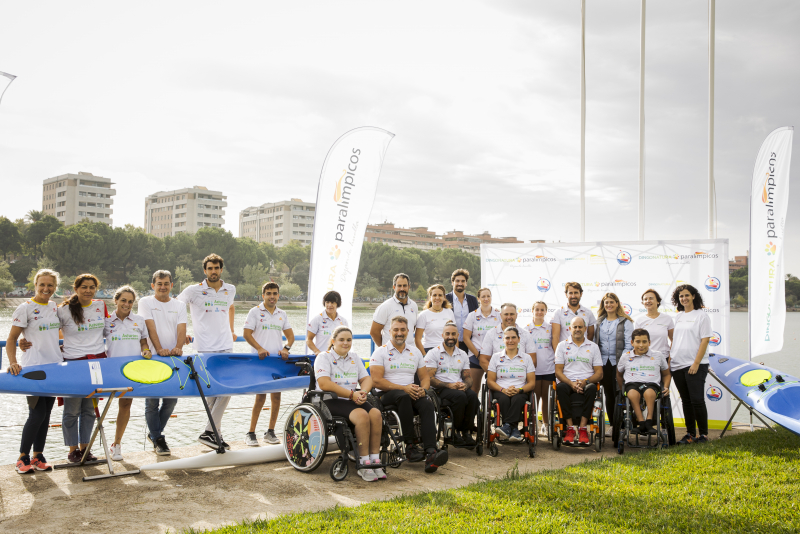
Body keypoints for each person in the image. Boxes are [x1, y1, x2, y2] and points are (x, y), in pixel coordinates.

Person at [369, 316, 448, 473]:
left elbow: (425, 377)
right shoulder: (380, 352)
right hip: (388, 394)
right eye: (396, 330)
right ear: (389, 331)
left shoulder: (415, 352)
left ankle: (431, 452)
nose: (399, 333)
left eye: (403, 330)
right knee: (403, 396)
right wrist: (403, 388)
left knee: (426, 402)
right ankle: (409, 446)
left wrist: (423, 390)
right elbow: (376, 381)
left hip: (410, 392)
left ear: (409, 331)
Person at [177, 254, 237, 450]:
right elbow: (176, 308)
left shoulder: (230, 289)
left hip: (226, 345)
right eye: (210, 268)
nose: (213, 271)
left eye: (216, 268)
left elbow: (230, 308)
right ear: (205, 271)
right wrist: (182, 332)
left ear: (221, 269)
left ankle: (211, 433)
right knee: (213, 394)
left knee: (225, 391)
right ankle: (213, 434)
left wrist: (232, 329)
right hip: (204, 347)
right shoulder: (193, 290)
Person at [6, 269, 62, 474]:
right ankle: (22, 457)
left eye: (50, 285)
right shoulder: (25, 308)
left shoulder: (55, 307)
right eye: (42, 285)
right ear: (35, 285)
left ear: (55, 287)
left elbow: (56, 333)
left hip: (54, 367)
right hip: (33, 369)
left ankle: (38, 456)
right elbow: (12, 338)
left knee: (46, 415)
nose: (46, 289)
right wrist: (13, 361)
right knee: (36, 414)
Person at [316, 326, 385, 481]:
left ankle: (375, 459)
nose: (345, 343)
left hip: (352, 397)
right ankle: (363, 462)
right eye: (341, 340)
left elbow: (366, 379)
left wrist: (363, 393)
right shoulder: (324, 357)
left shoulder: (354, 357)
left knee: (375, 413)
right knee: (361, 415)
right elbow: (324, 384)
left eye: (349, 340)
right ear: (333, 341)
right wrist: (351, 394)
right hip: (331, 400)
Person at [58, 274, 109, 463]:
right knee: (72, 409)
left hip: (96, 362)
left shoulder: (100, 306)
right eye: (84, 287)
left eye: (92, 287)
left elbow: (110, 329)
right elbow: (48, 331)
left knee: (89, 409)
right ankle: (73, 450)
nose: (88, 290)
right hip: (73, 363)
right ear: (76, 288)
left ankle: (86, 448)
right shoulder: (63, 310)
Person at [138, 269, 187, 455]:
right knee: (151, 403)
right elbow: (150, 328)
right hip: (151, 357)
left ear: (171, 285)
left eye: (166, 283)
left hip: (173, 358)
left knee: (171, 401)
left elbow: (181, 328)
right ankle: (158, 438)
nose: (163, 287)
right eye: (159, 284)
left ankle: (154, 434)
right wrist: (158, 349)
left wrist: (178, 347)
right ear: (153, 286)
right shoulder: (145, 302)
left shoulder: (179, 304)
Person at [242, 282, 294, 446]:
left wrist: (286, 348)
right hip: (260, 361)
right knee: (260, 398)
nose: (272, 296)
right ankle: (251, 433)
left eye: (275, 293)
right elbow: (246, 334)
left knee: (276, 398)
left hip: (276, 362)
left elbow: (290, 337)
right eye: (269, 293)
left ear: (279, 295)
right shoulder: (255, 312)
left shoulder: (282, 314)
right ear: (263, 295)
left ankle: (270, 432)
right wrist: (259, 348)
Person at [102, 286, 150, 461]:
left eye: (130, 301)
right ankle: (89, 444)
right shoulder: (106, 321)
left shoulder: (139, 320)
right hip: (110, 370)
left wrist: (146, 351)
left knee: (125, 406)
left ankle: (117, 444)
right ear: (116, 301)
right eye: (123, 300)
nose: (127, 304)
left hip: (131, 371)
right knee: (99, 406)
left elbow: (144, 343)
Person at [670, 284, 712, 445]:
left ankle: (703, 434)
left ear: (694, 296)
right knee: (686, 401)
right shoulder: (679, 316)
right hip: (677, 364)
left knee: (697, 400)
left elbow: (705, 340)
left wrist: (696, 363)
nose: (684, 298)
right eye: (681, 296)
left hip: (695, 365)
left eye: (687, 295)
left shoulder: (702, 316)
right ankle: (690, 434)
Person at [425, 321, 478, 446]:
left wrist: (465, 385)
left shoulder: (462, 354)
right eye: (447, 334)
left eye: (453, 334)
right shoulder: (433, 353)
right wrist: (448, 385)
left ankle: (466, 431)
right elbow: (429, 378)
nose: (450, 337)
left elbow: (468, 377)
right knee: (460, 396)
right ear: (442, 335)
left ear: (457, 336)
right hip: (440, 388)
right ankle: (453, 431)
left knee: (472, 396)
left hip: (458, 387)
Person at [554, 317, 603, 446]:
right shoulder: (562, 345)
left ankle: (582, 429)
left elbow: (599, 373)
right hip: (568, 382)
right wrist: (572, 384)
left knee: (593, 388)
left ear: (585, 329)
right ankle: (570, 428)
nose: (577, 329)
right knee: (561, 388)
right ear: (570, 329)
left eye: (580, 327)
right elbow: (558, 371)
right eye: (574, 327)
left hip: (587, 383)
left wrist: (585, 382)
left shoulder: (593, 347)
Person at [486, 326, 537, 442]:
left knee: (517, 399)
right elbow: (490, 381)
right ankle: (514, 430)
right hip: (500, 390)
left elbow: (532, 383)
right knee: (503, 399)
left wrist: (519, 390)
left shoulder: (527, 358)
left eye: (513, 337)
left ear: (519, 339)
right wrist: (503, 389)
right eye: (507, 338)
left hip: (520, 391)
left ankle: (507, 426)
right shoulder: (496, 357)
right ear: (503, 340)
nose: (510, 341)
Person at [616, 329, 671, 435]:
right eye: (638, 341)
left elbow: (666, 374)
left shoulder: (658, 355)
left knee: (649, 393)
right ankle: (641, 423)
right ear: (632, 342)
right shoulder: (626, 356)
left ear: (649, 342)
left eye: (644, 342)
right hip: (632, 384)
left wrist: (666, 387)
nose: (641, 345)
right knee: (632, 393)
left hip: (652, 384)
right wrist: (622, 390)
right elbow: (618, 374)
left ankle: (649, 422)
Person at [593, 292, 634, 432]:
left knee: (621, 394)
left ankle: (625, 423)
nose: (609, 305)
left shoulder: (625, 322)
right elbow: (595, 344)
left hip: (619, 363)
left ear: (617, 303)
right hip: (603, 364)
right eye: (606, 302)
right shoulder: (599, 322)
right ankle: (613, 425)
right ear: (603, 305)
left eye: (612, 302)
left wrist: (621, 364)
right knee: (609, 395)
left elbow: (629, 345)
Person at [525, 301, 556, 437]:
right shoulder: (526, 329)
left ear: (545, 311)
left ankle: (546, 425)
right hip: (534, 369)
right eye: (537, 309)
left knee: (547, 398)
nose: (539, 312)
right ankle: (533, 425)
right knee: (535, 398)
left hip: (549, 367)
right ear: (532, 311)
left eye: (542, 310)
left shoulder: (550, 328)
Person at [463, 288, 501, 394]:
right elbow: (466, 338)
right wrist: (478, 355)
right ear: (478, 299)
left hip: (495, 356)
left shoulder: (499, 315)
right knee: (474, 389)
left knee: (498, 386)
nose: (486, 299)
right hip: (476, 356)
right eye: (483, 296)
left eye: (488, 296)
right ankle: (474, 410)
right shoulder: (472, 315)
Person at [479, 303, 536, 372]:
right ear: (501, 315)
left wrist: (520, 376)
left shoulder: (526, 334)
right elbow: (483, 360)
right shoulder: (491, 333)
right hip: (497, 380)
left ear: (516, 315)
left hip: (521, 380)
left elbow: (533, 360)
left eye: (512, 314)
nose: (509, 317)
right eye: (506, 314)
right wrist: (497, 376)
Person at [370, 273, 418, 347]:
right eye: (399, 286)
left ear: (409, 287)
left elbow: (412, 329)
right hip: (390, 354)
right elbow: (374, 332)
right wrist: (385, 348)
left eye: (404, 286)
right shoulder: (385, 306)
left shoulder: (414, 306)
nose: (402, 289)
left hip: (410, 353)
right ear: (394, 287)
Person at [635, 289, 674, 364]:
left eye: (651, 298)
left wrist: (670, 358)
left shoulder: (667, 318)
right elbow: (637, 342)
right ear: (643, 303)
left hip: (663, 358)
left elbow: (673, 340)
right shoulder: (639, 320)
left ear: (658, 301)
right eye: (645, 299)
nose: (648, 301)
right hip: (645, 359)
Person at [445, 269, 479, 354]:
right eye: (457, 281)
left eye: (463, 281)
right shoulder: (445, 299)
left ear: (466, 283)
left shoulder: (472, 300)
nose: (460, 283)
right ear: (452, 282)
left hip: (469, 343)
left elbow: (478, 317)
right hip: (450, 342)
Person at [415, 284, 455, 354]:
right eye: (434, 295)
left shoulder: (449, 312)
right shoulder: (423, 315)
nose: (437, 297)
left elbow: (454, 335)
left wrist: (454, 352)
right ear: (430, 297)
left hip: (447, 350)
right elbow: (417, 339)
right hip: (429, 350)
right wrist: (424, 355)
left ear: (444, 297)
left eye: (440, 295)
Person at [306, 290, 349, 355]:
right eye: (327, 302)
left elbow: (347, 340)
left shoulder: (343, 321)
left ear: (338, 303)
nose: (329, 305)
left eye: (332, 302)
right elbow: (309, 340)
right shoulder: (317, 319)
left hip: (338, 358)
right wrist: (317, 351)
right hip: (321, 358)